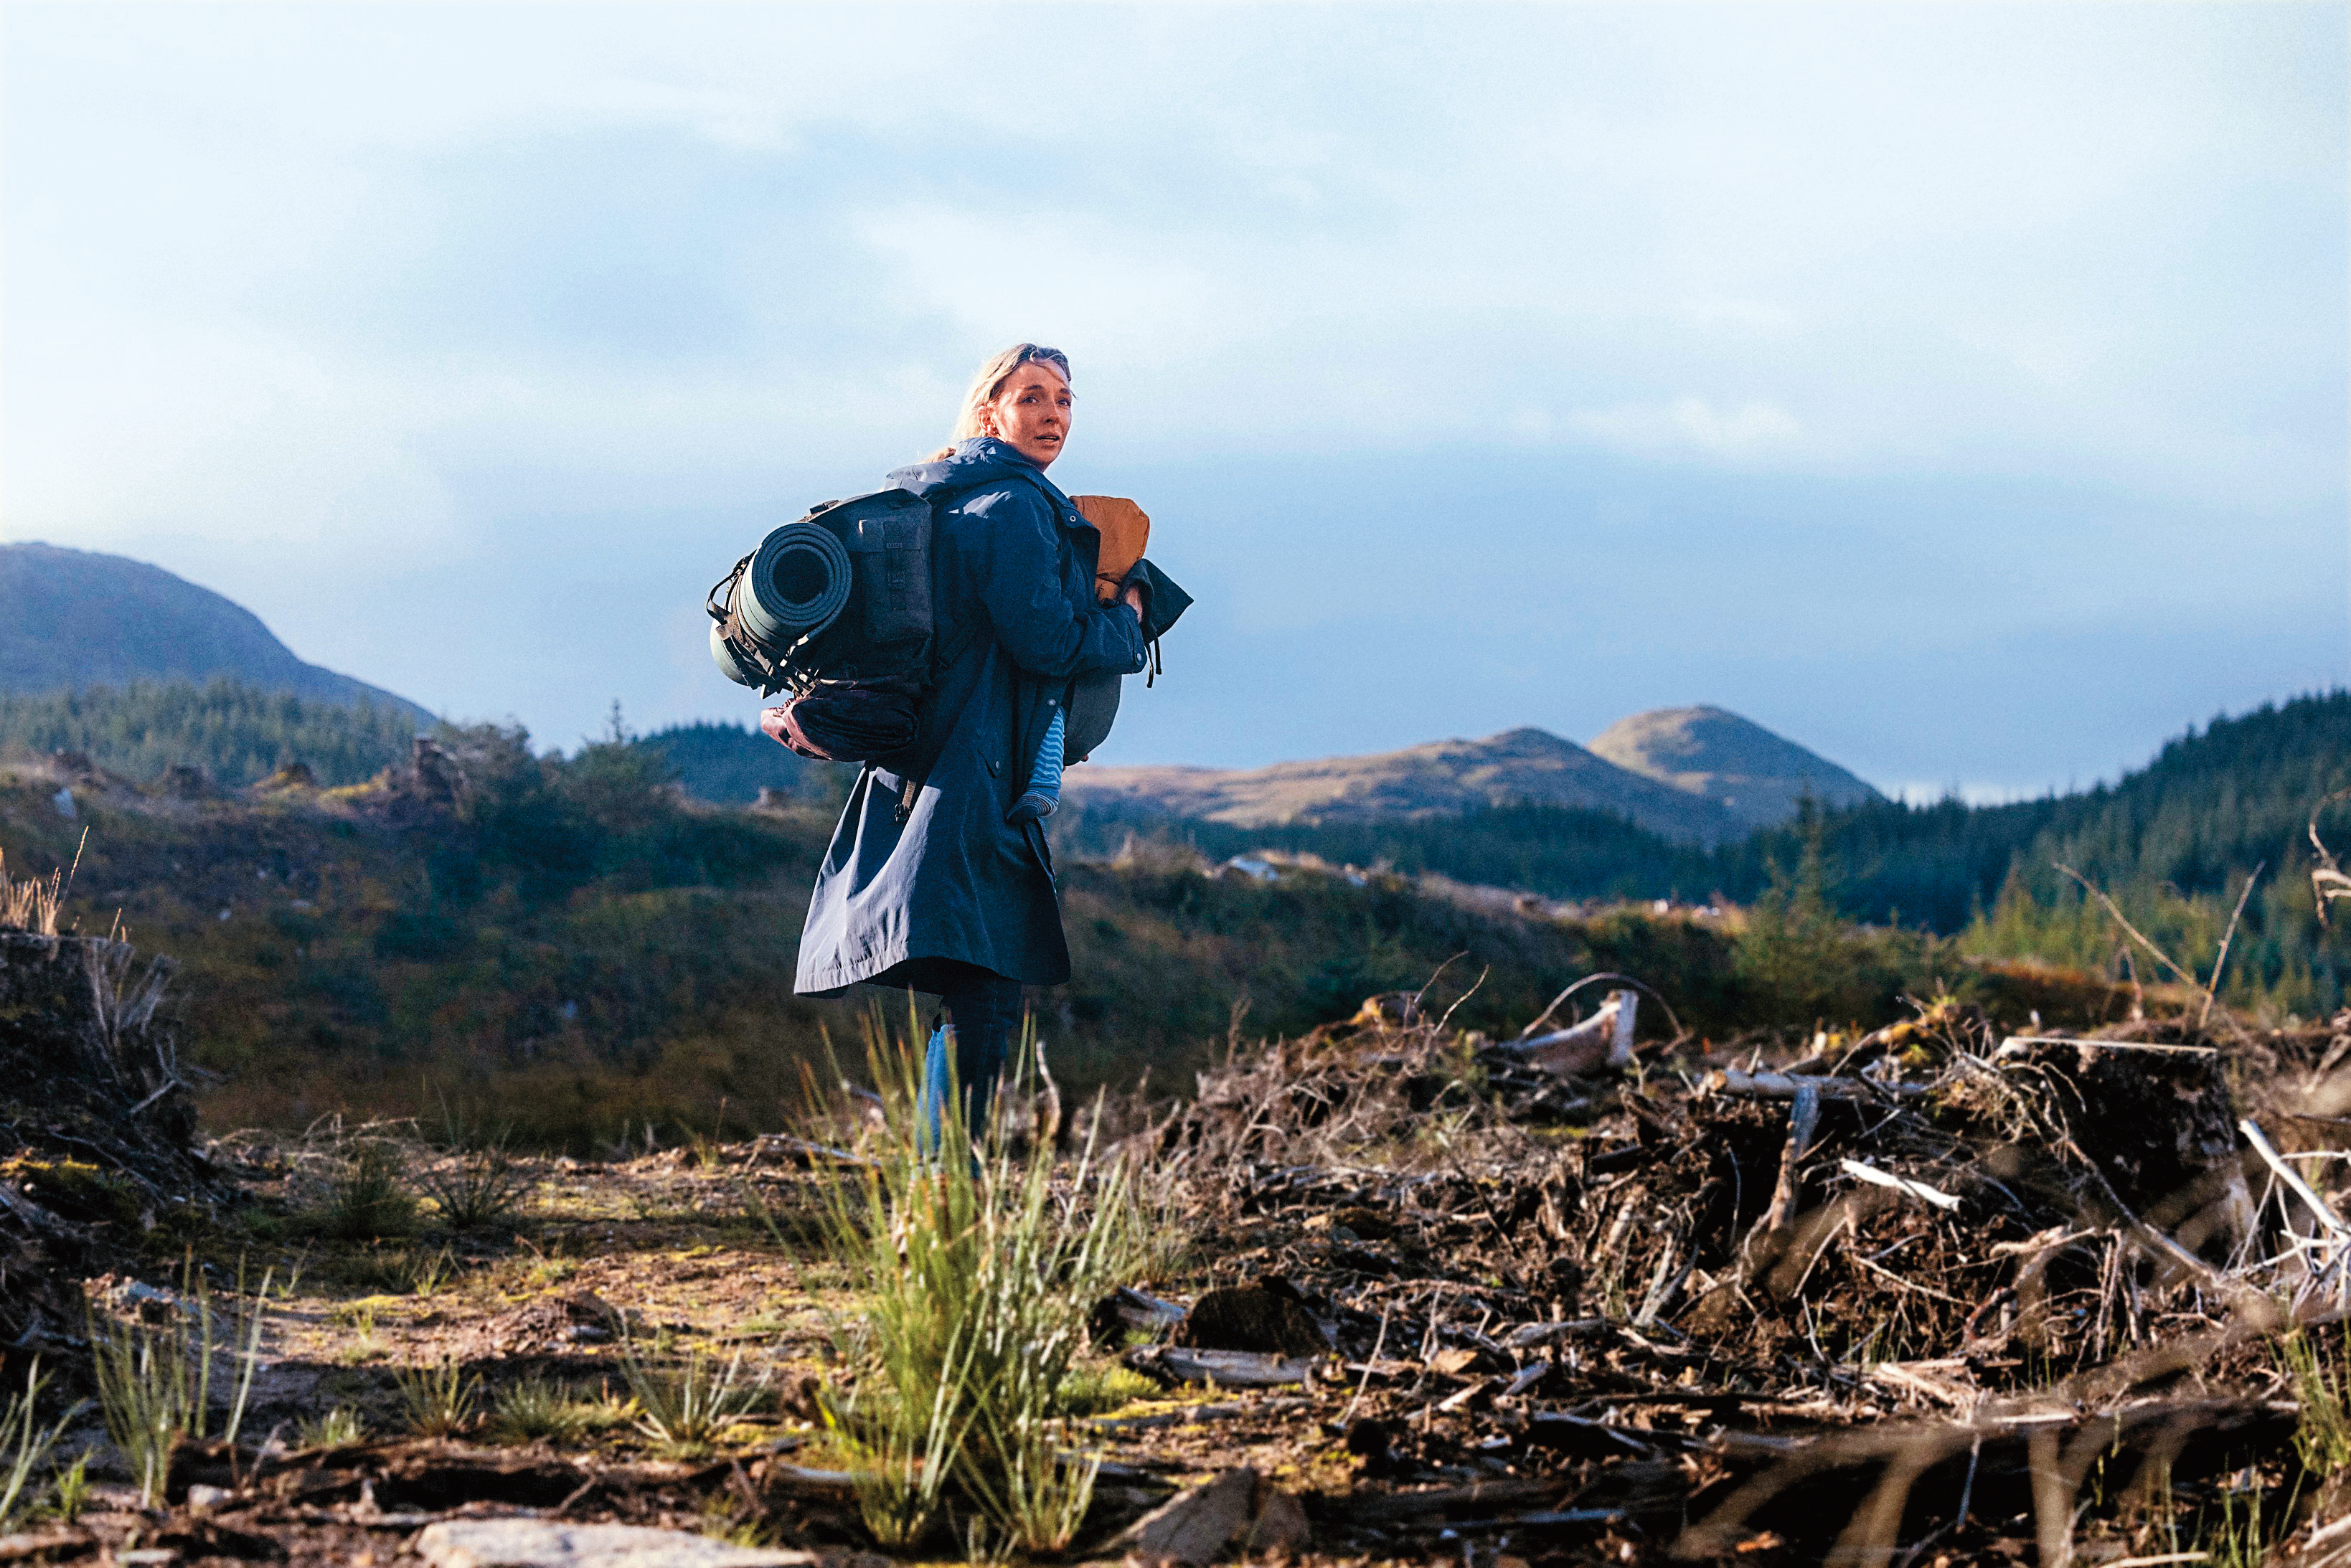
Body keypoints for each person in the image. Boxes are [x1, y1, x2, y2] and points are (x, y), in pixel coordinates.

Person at [788, 344, 1149, 1144]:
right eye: (1032, 398)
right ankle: (951, 1188)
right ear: (990, 412)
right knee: (985, 986)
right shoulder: (1012, 505)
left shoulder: (944, 499)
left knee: (972, 984)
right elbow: (1047, 641)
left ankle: (944, 1187)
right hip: (974, 772)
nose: (1052, 414)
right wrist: (1124, 626)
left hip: (925, 768)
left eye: (1063, 398)